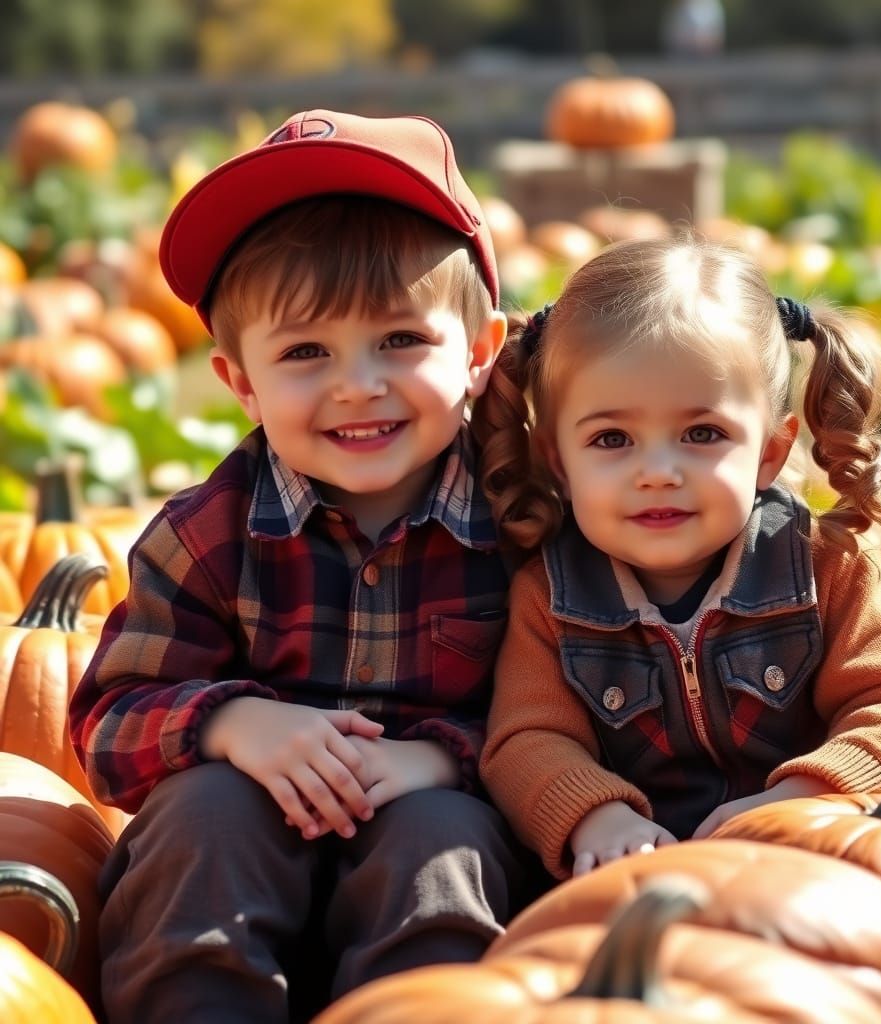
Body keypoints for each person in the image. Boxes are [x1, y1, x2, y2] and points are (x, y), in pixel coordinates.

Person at [69, 109, 530, 1024]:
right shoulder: (207, 534)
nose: (357, 383)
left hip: (434, 841)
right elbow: (103, 727)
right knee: (206, 812)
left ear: (479, 353)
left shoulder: (529, 524)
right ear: (240, 381)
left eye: (401, 340)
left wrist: (442, 763)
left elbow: (573, 715)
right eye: (305, 352)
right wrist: (233, 724)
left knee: (441, 843)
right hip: (240, 859)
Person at [474, 235, 881, 881]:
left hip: (810, 871)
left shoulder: (824, 567)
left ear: (769, 452)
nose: (657, 472)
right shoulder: (551, 597)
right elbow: (527, 740)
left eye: (702, 434)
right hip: (631, 878)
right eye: (611, 438)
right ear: (559, 461)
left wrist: (806, 799)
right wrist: (596, 815)